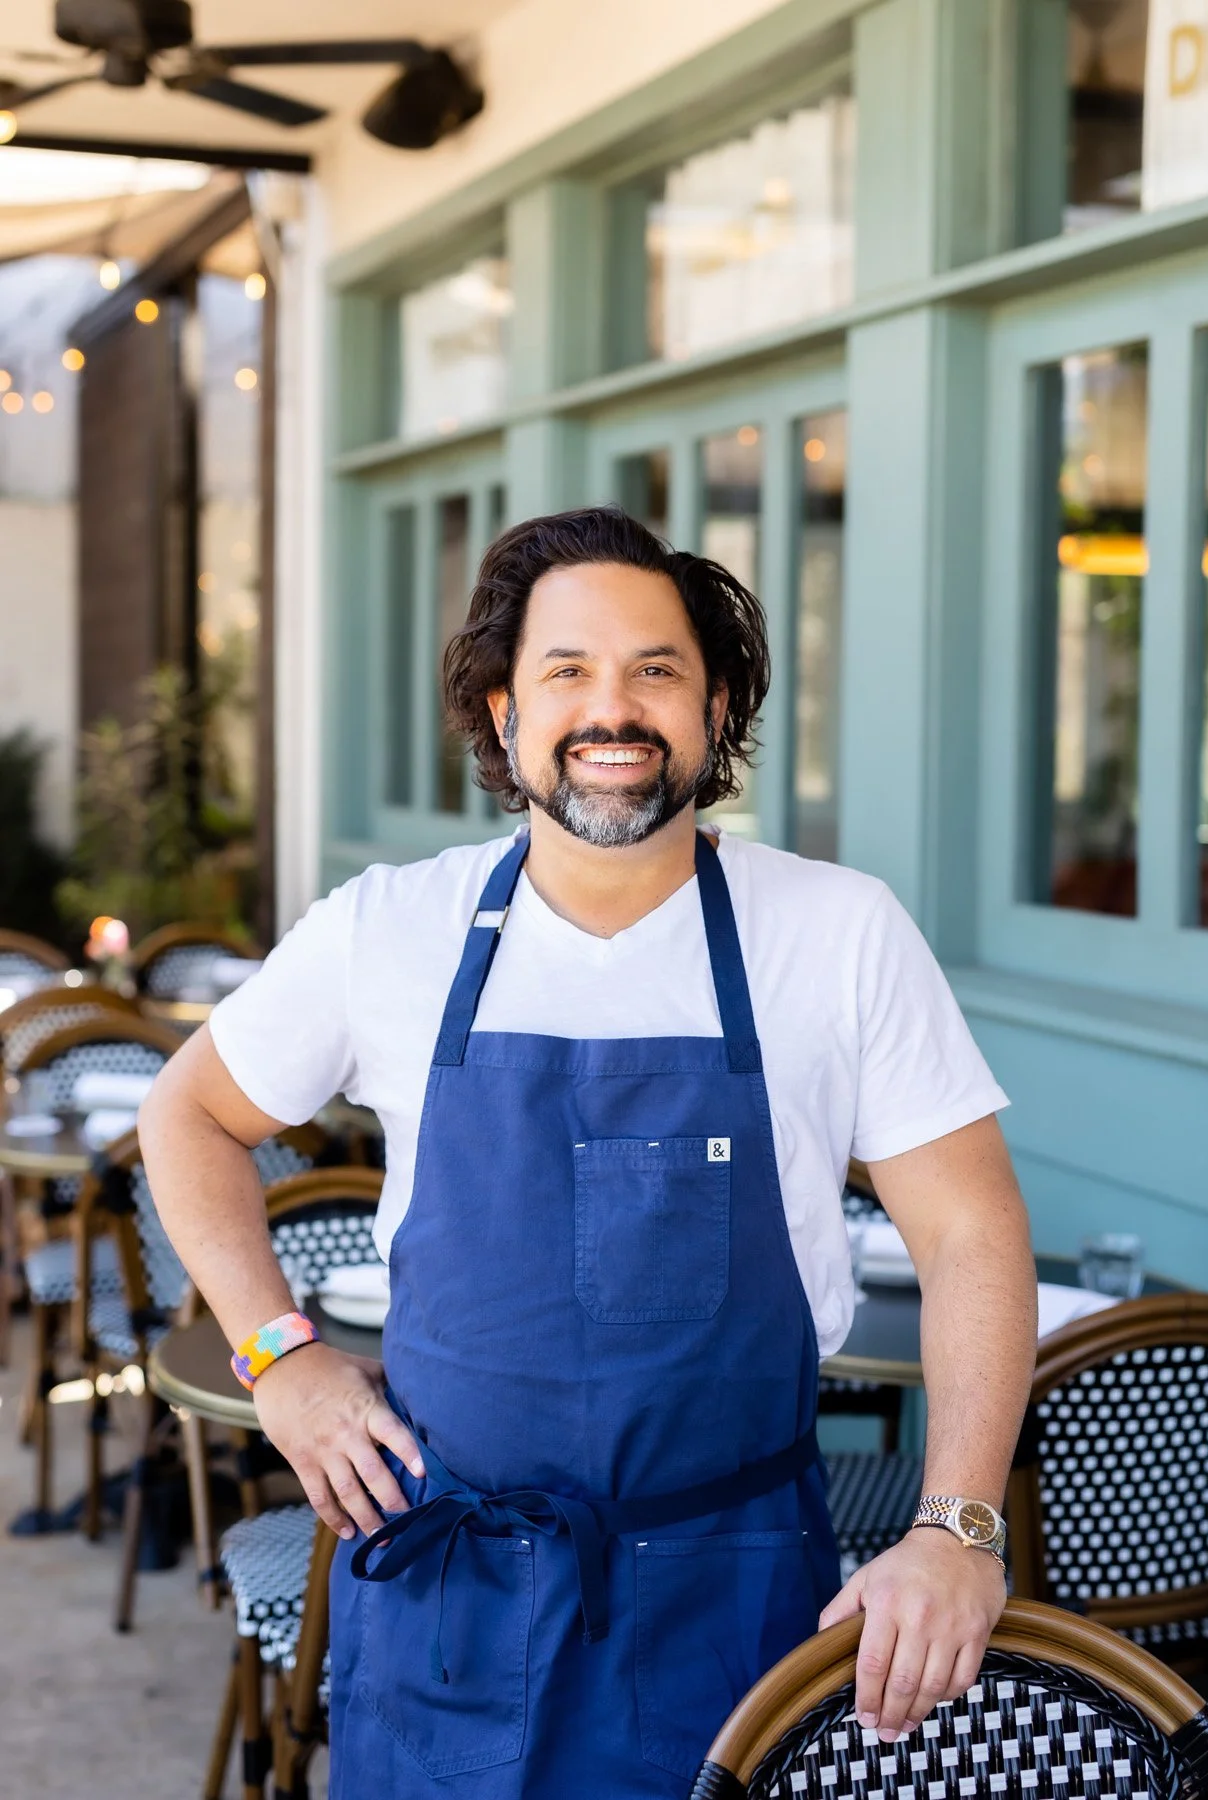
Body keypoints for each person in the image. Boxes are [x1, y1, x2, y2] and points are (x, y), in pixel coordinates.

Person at [140, 507, 1037, 1799]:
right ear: (504, 716)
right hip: (444, 1590)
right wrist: (278, 1358)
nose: (609, 710)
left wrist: (957, 1527)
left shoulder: (836, 933)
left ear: (717, 709)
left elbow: (969, 1232)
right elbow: (188, 1114)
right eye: (566, 671)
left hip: (729, 1603)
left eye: (654, 671)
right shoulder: (389, 930)